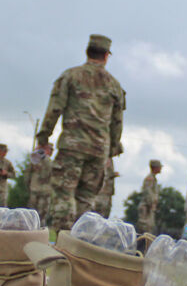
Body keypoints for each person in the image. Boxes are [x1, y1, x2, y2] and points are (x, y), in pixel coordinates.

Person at [35, 34, 126, 231]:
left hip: (72, 146)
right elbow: (117, 123)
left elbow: (54, 109)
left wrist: (44, 137)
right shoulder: (115, 85)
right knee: (86, 200)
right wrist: (110, 151)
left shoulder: (70, 76)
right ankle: (80, 247)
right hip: (98, 151)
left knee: (64, 195)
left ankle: (63, 243)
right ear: (106, 56)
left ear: (87, 51)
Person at [26, 143, 54, 223]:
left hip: (45, 191)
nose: (50, 151)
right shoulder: (35, 160)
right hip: (35, 189)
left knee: (42, 213)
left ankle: (40, 229)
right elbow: (28, 174)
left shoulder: (49, 161)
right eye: (48, 149)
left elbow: (49, 173)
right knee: (31, 212)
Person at [136, 160, 161, 235]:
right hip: (146, 208)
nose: (160, 169)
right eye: (159, 167)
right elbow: (148, 193)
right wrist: (151, 203)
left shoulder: (153, 178)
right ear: (155, 168)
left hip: (149, 208)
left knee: (149, 229)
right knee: (145, 229)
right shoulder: (149, 178)